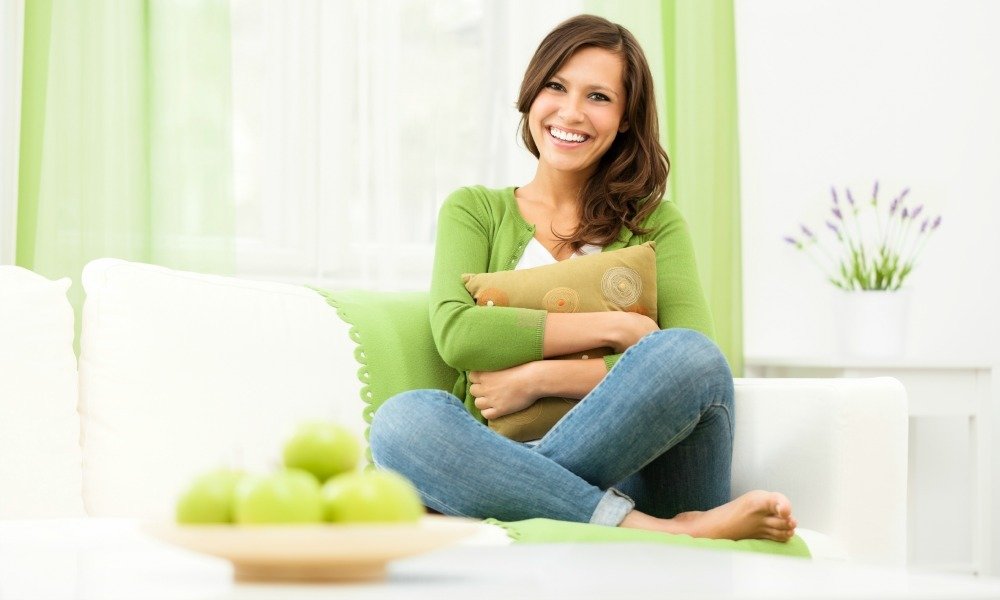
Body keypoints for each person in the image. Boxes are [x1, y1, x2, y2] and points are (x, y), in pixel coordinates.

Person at [370, 14, 797, 542]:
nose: (571, 112)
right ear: (532, 94)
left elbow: (693, 365)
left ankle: (508, 500)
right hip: (500, 453)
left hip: (639, 471)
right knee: (401, 421)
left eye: (599, 97)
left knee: (689, 355)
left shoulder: (655, 224)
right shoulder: (475, 211)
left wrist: (536, 380)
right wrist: (617, 329)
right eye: (556, 86)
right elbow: (459, 335)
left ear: (624, 119)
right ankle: (660, 532)